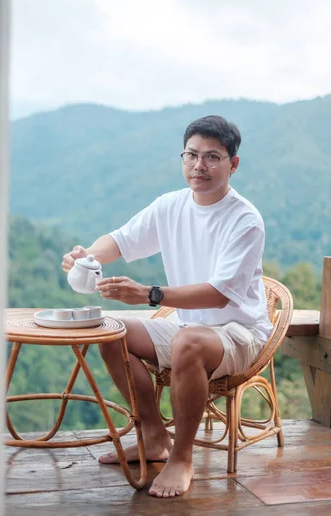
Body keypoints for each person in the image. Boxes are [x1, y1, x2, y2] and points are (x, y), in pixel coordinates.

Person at [62, 115, 272, 499]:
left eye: (212, 157)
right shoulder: (171, 205)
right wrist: (84, 258)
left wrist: (150, 294)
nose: (199, 166)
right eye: (191, 155)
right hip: (188, 327)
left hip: (239, 332)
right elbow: (122, 241)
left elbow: (218, 295)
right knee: (111, 332)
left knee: (187, 342)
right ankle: (154, 435)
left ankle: (182, 457)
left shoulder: (245, 220)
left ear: (233, 164)